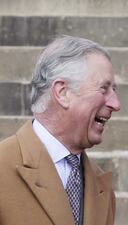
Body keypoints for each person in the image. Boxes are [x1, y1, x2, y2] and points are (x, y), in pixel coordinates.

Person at [0, 35, 120, 225]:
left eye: (114, 90)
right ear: (63, 93)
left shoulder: (102, 188)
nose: (116, 104)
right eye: (104, 89)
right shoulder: (3, 165)